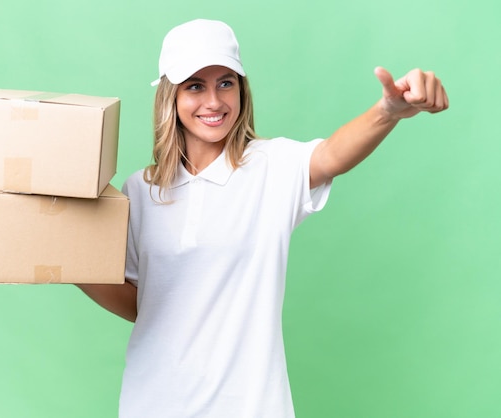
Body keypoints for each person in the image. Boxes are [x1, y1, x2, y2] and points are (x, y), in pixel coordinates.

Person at [77, 18, 448, 418]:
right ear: (170, 96)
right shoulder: (141, 190)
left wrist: (386, 111)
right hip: (153, 402)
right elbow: (146, 303)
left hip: (249, 406)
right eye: (195, 86)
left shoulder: (271, 167)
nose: (214, 101)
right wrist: (65, 261)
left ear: (242, 89)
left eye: (225, 82)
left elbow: (331, 156)